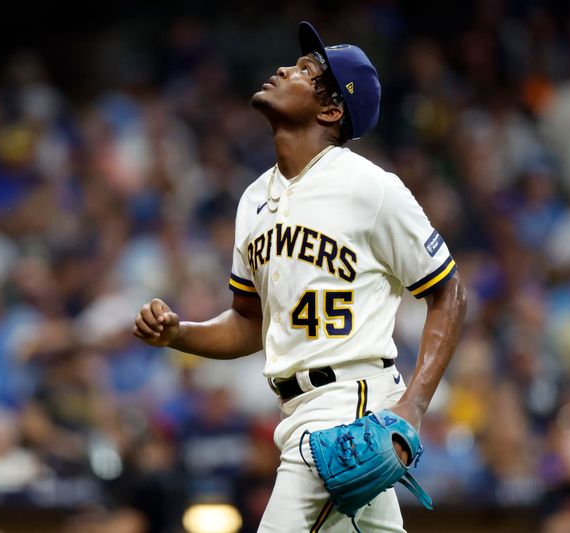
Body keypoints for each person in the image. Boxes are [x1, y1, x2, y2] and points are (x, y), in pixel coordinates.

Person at [134, 21, 465, 532]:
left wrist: (414, 405)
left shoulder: (369, 187)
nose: (286, 67)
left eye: (307, 71)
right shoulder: (253, 199)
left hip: (351, 406)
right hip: (296, 411)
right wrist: (181, 334)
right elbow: (250, 324)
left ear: (331, 110)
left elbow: (448, 292)